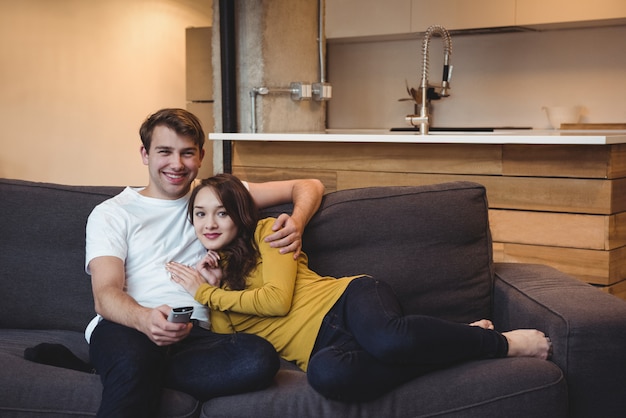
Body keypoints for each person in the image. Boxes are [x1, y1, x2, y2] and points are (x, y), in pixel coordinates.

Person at [166, 173, 553, 402]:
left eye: (221, 212)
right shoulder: (216, 278)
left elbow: (277, 301)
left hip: (349, 301)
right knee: (328, 379)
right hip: (326, 350)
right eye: (200, 214)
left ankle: (501, 345)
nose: (209, 223)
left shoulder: (270, 233)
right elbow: (230, 342)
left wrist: (204, 292)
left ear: (240, 215)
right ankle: (456, 344)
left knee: (388, 340)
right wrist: (215, 291)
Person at [84, 108, 325, 417]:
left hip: (198, 337)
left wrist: (297, 223)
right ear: (145, 154)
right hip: (129, 327)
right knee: (134, 361)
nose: (177, 164)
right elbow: (105, 295)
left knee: (258, 358)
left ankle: (135, 370)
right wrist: (146, 320)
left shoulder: (216, 198)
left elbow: (309, 185)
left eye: (187, 153)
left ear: (200, 156)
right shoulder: (113, 213)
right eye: (165, 152)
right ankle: (132, 367)